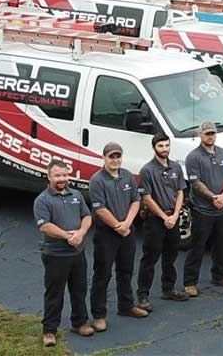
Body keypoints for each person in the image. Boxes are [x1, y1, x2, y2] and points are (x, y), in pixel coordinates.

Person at [34, 160, 94, 347]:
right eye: (57, 175)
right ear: (49, 177)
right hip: (55, 255)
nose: (62, 179)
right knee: (54, 294)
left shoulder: (76, 194)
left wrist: (82, 233)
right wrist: (67, 236)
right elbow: (45, 226)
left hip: (77, 253)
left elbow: (87, 216)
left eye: (64, 175)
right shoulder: (42, 200)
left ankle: (80, 323)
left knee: (79, 290)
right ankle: (50, 331)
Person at [89, 142, 147, 331]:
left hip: (127, 231)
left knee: (126, 271)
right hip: (107, 234)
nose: (115, 160)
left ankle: (126, 306)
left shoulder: (127, 176)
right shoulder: (97, 180)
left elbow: (135, 201)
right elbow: (100, 209)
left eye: (118, 156)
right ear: (104, 158)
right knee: (102, 274)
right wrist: (117, 226)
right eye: (111, 157)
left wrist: (127, 224)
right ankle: (98, 315)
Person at [136, 132, 189, 312]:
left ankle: (169, 289)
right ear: (154, 148)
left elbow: (181, 192)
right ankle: (143, 295)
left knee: (171, 255)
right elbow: (146, 198)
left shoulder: (176, 167)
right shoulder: (147, 170)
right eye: (160, 146)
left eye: (167, 145)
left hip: (172, 218)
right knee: (150, 258)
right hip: (155, 221)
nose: (164, 149)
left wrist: (175, 215)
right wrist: (164, 217)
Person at [183, 122, 223, 296]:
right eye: (207, 134)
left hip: (221, 210)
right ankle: (190, 282)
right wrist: (213, 197)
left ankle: (220, 276)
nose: (210, 136)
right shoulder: (194, 157)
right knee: (197, 246)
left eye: (212, 133)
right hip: (202, 210)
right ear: (200, 135)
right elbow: (195, 183)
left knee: (221, 244)